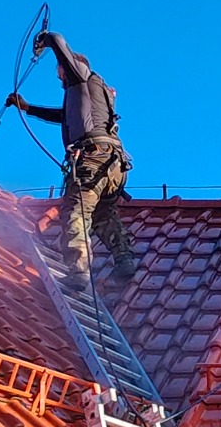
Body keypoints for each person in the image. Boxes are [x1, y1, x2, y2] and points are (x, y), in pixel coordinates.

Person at [9, 30, 138, 277]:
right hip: (114, 165)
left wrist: (45, 40)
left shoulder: (80, 77)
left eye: (61, 72)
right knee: (102, 213)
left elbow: (58, 41)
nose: (60, 80)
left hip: (93, 159)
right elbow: (64, 115)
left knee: (76, 211)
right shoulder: (92, 93)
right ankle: (124, 260)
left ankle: (78, 272)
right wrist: (27, 108)